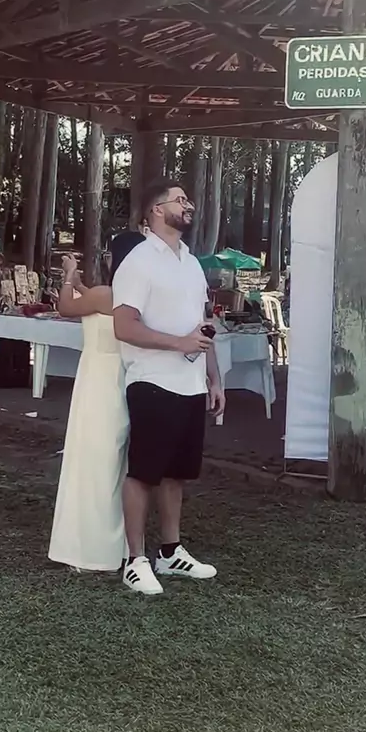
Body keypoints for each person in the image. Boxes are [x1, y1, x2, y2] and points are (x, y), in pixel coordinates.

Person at [112, 179, 225, 596]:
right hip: (152, 381)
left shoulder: (191, 263)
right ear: (156, 210)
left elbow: (202, 326)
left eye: (188, 199)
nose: (188, 204)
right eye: (179, 200)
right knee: (144, 472)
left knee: (177, 473)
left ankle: (170, 552)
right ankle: (135, 560)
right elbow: (124, 326)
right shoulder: (139, 261)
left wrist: (215, 378)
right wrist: (178, 344)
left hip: (191, 384)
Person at [48, 231, 145, 572]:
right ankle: (113, 544)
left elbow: (65, 308)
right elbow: (94, 302)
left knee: (91, 464)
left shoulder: (107, 294)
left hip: (97, 381)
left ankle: (89, 549)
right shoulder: (130, 296)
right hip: (121, 378)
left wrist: (67, 276)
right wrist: (78, 282)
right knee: (113, 462)